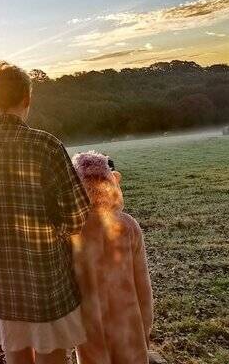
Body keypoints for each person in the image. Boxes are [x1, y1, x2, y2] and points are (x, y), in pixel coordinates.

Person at [0, 62, 91, 364]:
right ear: (27, 100)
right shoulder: (47, 146)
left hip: (1, 287)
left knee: (15, 356)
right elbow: (77, 215)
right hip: (47, 285)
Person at [71, 151, 153, 364]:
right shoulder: (128, 227)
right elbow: (142, 284)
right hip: (129, 325)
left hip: (89, 324)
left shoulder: (72, 230)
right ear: (112, 182)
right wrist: (146, 325)